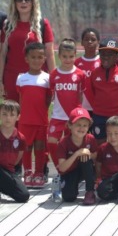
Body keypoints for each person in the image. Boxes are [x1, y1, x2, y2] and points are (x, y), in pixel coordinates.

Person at [0, 0, 55, 102]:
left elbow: (50, 56)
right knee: (11, 117)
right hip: (11, 79)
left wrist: (54, 80)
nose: (23, 2)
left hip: (37, 79)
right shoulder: (7, 25)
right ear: (14, 2)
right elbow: (2, 55)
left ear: (33, 2)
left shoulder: (43, 24)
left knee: (35, 116)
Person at [48, 38, 85, 190]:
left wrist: (79, 113)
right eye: (64, 56)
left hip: (73, 118)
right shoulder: (54, 74)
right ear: (59, 56)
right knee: (51, 142)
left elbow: (81, 96)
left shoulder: (80, 74)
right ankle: (60, 170)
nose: (68, 60)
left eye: (71, 56)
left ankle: (75, 173)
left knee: (75, 144)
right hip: (57, 116)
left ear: (75, 55)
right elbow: (51, 95)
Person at [16, 42, 52, 188]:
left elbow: (48, 99)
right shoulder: (21, 78)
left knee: (40, 147)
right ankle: (28, 172)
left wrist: (42, 112)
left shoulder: (47, 78)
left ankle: (38, 173)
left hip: (41, 120)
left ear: (44, 58)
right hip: (25, 120)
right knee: (26, 147)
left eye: (40, 57)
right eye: (33, 57)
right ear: (27, 59)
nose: (37, 60)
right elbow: (21, 99)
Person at [90, 38, 118, 145]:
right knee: (99, 143)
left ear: (117, 57)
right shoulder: (94, 73)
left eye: (110, 54)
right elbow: (92, 93)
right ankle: (100, 162)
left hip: (117, 115)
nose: (106, 57)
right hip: (99, 115)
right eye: (103, 54)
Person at [57, 107, 98, 205]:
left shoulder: (90, 139)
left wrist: (89, 153)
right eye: (78, 125)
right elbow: (62, 167)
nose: (82, 128)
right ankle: (66, 185)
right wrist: (77, 153)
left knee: (86, 158)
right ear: (70, 125)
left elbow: (96, 156)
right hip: (70, 171)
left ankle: (90, 191)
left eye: (85, 125)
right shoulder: (64, 142)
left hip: (86, 170)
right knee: (68, 197)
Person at [0, 100, 30, 203]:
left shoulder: (20, 138)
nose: (8, 118)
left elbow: (17, 159)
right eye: (4, 114)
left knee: (23, 195)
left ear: (18, 117)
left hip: (9, 171)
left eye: (12, 115)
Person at [74, 27, 101, 114]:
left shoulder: (102, 62)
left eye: (93, 39)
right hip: (81, 108)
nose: (89, 42)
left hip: (98, 107)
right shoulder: (76, 63)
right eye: (86, 39)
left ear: (98, 42)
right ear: (82, 42)